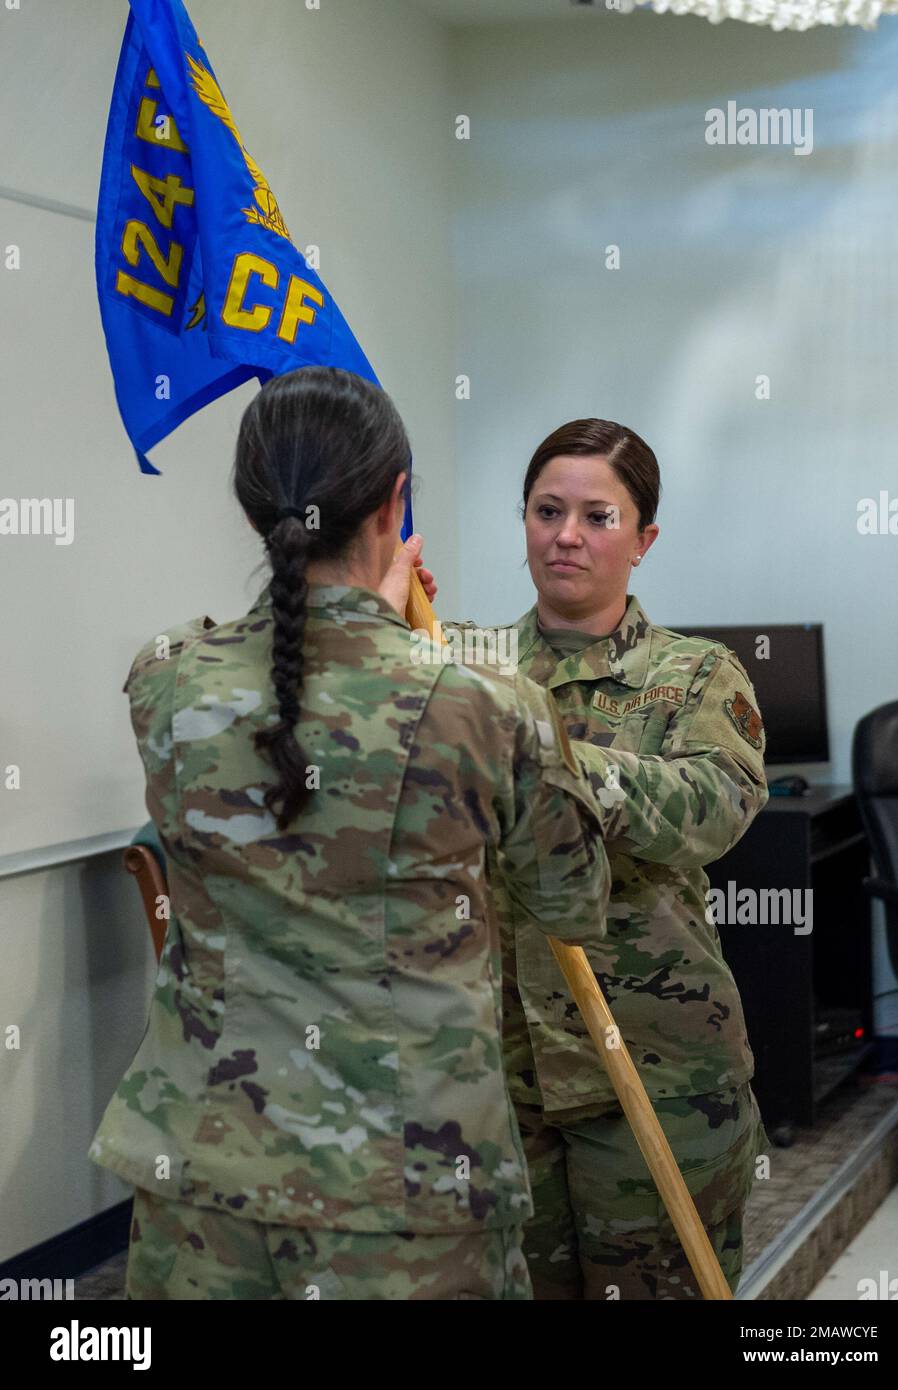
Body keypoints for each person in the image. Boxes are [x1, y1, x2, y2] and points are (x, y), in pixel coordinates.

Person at [88, 368, 611, 1301]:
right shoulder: (485, 704)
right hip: (407, 1191)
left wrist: (376, 610)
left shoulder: (164, 679)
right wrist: (415, 640)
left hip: (202, 1180)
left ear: (254, 509)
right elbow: (573, 898)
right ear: (394, 501)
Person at [442, 418, 771, 1300]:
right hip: (499, 1075)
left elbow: (718, 806)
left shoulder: (697, 675)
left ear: (643, 540)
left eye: (598, 516)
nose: (567, 536)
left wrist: (551, 761)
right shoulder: (462, 670)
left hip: (655, 1070)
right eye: (548, 511)